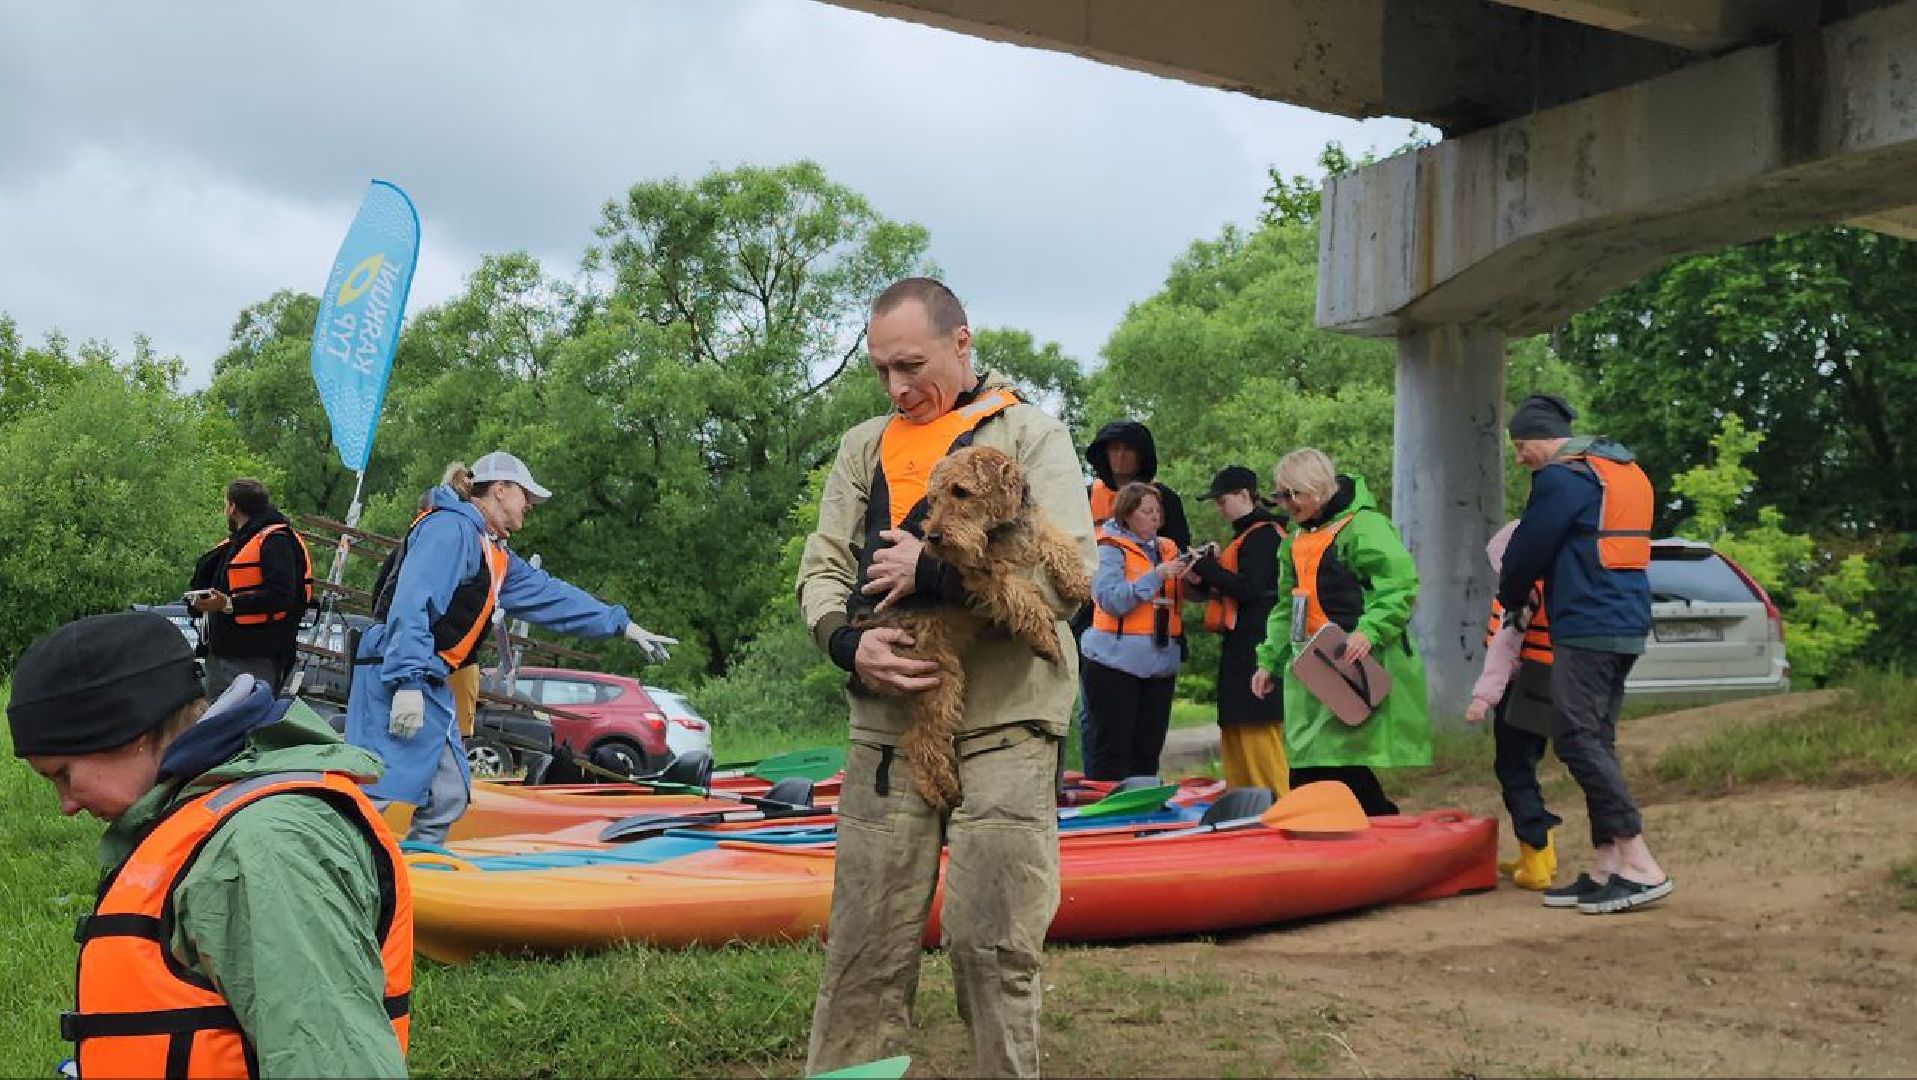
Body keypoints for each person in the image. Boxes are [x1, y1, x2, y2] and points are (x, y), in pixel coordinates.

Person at [797, 277, 1094, 1078]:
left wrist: (934, 573)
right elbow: (822, 569)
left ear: (961, 345)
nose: (897, 387)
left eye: (911, 364)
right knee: (863, 945)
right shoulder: (865, 446)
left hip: (1007, 722)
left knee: (991, 940)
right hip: (889, 725)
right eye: (880, 370)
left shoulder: (1031, 437)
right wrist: (844, 644)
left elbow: (1070, 587)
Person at [8, 611, 409, 1077]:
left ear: (129, 734)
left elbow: (333, 1063)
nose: (66, 805)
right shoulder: (210, 815)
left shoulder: (266, 845)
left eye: (64, 775)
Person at [345, 451, 676, 847]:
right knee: (377, 786)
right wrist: (407, 683)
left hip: (428, 677)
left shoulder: (492, 549)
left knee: (449, 792)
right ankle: (330, 869)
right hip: (396, 671)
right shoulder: (449, 530)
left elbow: (550, 595)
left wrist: (621, 625)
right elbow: (411, 604)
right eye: (526, 496)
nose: (530, 506)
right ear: (500, 490)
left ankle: (416, 874)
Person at [1498, 393, 1672, 914]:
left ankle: (1639, 863)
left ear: (1542, 438)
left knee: (1574, 734)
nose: (1519, 457)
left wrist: (1510, 597)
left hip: (1587, 622)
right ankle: (1607, 865)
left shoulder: (1562, 477)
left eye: (1521, 446)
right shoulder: (1621, 470)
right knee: (1595, 736)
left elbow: (1528, 546)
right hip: (1624, 619)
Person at [1251, 448, 1430, 815]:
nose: (1285, 504)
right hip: (1312, 666)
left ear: (1315, 489)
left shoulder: (1364, 527)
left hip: (1351, 662)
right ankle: (1366, 832)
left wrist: (1369, 631)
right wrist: (1269, 659)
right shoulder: (1294, 540)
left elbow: (1398, 584)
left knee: (1331, 764)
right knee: (1315, 763)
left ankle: (1376, 830)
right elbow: (1287, 606)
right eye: (1281, 495)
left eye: (1291, 494)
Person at [1075, 420, 1189, 765]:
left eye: (1128, 449)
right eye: (1113, 449)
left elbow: (1180, 555)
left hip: (1154, 629)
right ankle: (1099, 789)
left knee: (1144, 739)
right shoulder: (1085, 495)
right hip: (1092, 622)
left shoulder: (1164, 497)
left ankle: (1139, 797)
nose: (1120, 457)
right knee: (1093, 720)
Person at [1466, 520, 1563, 890]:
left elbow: (1503, 650)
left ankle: (1536, 854)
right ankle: (1540, 852)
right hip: (1551, 686)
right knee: (1526, 765)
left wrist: (1482, 698)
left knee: (1513, 772)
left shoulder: (1518, 595)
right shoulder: (1553, 587)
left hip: (1520, 692)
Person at [1185, 465, 1288, 793]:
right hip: (1241, 644)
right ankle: (1244, 799)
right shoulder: (1247, 536)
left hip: (1257, 644)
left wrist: (1207, 568)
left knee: (1256, 722)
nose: (1218, 507)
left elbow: (1251, 590)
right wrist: (1203, 574)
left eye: (1222, 499)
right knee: (1235, 723)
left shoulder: (1265, 535)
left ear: (1245, 495)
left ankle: (1277, 800)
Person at [187, 478, 314, 699]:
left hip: (256, 658)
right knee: (214, 728)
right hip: (220, 654)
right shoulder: (238, 543)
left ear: (232, 507)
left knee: (245, 727)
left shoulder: (276, 540)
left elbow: (281, 596)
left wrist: (228, 604)